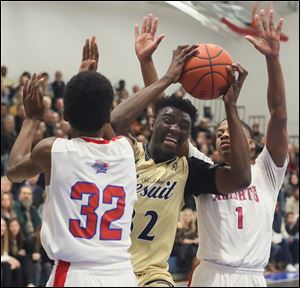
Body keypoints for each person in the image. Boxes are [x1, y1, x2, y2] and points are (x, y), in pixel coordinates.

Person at [6, 36, 199, 286]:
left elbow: (13, 170)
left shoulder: (52, 150)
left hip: (75, 273)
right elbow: (115, 117)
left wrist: (32, 119)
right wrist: (167, 78)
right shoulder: (124, 151)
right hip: (121, 274)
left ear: (64, 113)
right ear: (107, 113)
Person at [111, 14, 251, 287]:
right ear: (153, 123)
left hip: (152, 275)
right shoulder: (127, 151)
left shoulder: (188, 169)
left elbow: (241, 179)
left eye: (184, 126)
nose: (175, 128)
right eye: (168, 122)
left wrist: (231, 106)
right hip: (112, 269)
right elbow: (117, 121)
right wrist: (152, 67)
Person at [188, 9, 289, 286]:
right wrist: (149, 64)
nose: (222, 135)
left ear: (250, 144)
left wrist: (273, 59)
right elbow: (163, 118)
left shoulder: (267, 172)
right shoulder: (206, 170)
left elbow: (279, 115)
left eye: (229, 130)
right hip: (211, 274)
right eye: (218, 132)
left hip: (253, 276)